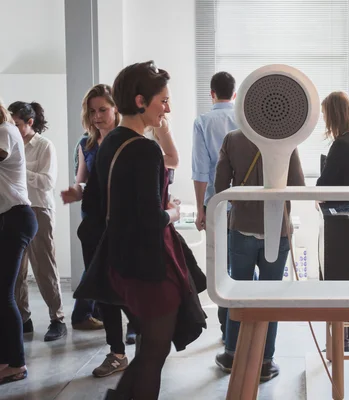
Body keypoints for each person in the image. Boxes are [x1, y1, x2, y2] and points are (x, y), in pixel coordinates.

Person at [85, 61, 197, 399]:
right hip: (149, 265)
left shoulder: (112, 141)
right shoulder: (145, 149)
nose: (168, 107)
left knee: (149, 347)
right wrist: (174, 211)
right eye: (162, 100)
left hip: (122, 260)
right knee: (153, 351)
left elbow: (103, 204)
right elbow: (151, 218)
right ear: (139, 101)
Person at [213, 129, 305, 382]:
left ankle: (232, 353)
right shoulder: (285, 138)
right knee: (271, 295)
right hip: (278, 228)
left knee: (237, 292)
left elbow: (220, 186)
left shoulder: (232, 139)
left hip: (242, 226)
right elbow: (298, 185)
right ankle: (266, 360)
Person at [61, 84, 140, 377]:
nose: (97, 116)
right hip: (94, 225)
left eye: (102, 110)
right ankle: (116, 352)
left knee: (130, 285)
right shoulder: (87, 144)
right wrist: (75, 190)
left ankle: (146, 336)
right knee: (104, 291)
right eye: (92, 111)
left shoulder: (130, 141)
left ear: (115, 108)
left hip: (125, 226)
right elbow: (83, 181)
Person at [8, 101, 66, 342]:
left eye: (17, 124)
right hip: (14, 210)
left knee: (44, 267)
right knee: (18, 271)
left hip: (39, 209)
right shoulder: (9, 143)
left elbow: (47, 182)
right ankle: (24, 319)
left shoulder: (44, 146)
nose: (12, 128)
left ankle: (58, 319)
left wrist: (19, 169)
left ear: (29, 123)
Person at [316, 91, 349, 352]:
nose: (324, 119)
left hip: (339, 224)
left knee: (334, 285)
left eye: (325, 114)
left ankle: (338, 345)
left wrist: (318, 195)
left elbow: (324, 185)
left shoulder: (340, 145)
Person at [192, 71, 239, 342]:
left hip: (216, 204)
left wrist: (200, 208)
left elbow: (199, 170)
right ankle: (241, 323)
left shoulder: (202, 122)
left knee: (219, 266)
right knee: (241, 265)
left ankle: (226, 328)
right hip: (244, 205)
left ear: (212, 93)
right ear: (234, 94)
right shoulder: (244, 120)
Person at [0, 101, 37, 384]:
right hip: (7, 218)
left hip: (17, 217)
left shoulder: (6, 130)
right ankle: (6, 359)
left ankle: (17, 364)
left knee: (5, 294)